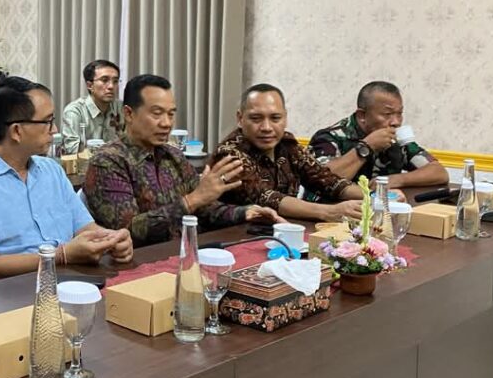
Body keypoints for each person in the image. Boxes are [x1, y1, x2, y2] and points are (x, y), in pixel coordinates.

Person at [0, 75, 133, 285]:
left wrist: (112, 239)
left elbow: (86, 228)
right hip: (7, 295)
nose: (55, 130)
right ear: (17, 131)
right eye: (47, 122)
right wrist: (62, 255)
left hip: (70, 284)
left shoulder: (52, 170)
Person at [85, 75, 282, 246]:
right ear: (129, 114)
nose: (167, 123)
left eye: (171, 114)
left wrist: (245, 212)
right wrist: (191, 201)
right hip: (139, 263)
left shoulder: (173, 155)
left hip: (185, 251)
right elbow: (126, 231)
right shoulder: (108, 161)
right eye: (157, 113)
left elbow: (204, 207)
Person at [212, 84, 364, 222]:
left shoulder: (287, 144)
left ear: (285, 118)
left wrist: (372, 198)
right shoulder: (229, 153)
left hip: (282, 228)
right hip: (234, 234)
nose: (266, 127)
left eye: (275, 118)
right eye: (256, 118)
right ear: (240, 119)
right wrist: (329, 212)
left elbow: (326, 180)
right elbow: (266, 198)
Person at [308, 81, 448, 191]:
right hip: (329, 213)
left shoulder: (395, 138)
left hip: (378, 211)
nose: (396, 122)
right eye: (387, 114)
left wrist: (397, 179)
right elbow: (325, 181)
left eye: (399, 113)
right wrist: (366, 147)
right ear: (362, 115)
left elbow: (439, 172)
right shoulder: (328, 138)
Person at [60, 59, 125, 154]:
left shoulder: (121, 108)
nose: (111, 86)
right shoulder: (75, 111)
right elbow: (72, 149)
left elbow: (132, 143)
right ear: (90, 85)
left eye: (115, 81)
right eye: (104, 80)